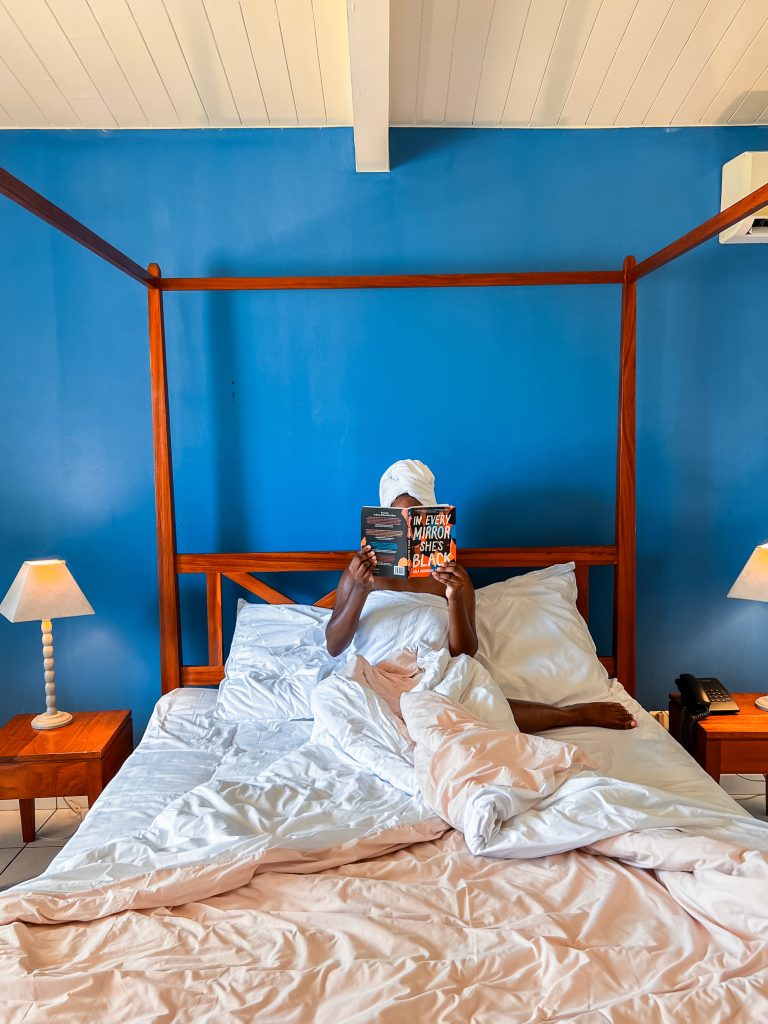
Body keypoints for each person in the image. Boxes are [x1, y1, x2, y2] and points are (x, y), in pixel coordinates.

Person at [326, 459, 636, 733]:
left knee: (479, 699)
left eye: (415, 517)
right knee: (333, 699)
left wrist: (456, 596)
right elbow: (334, 645)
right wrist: (360, 590)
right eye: (399, 517)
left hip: (431, 680)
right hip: (376, 678)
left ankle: (572, 714)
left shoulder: (451, 576)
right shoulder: (360, 572)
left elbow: (465, 653)